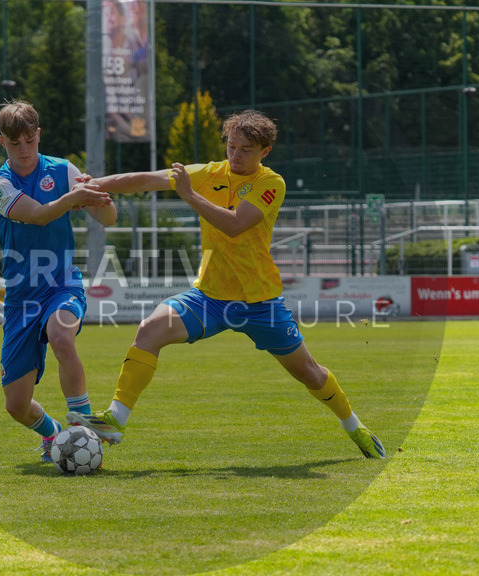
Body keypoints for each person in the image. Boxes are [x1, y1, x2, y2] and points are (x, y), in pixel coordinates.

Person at [68, 109, 386, 459]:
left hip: (259, 302)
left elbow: (235, 225)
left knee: (309, 373)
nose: (235, 155)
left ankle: (355, 428)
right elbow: (144, 179)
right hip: (210, 296)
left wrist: (190, 196)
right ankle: (116, 419)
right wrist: (92, 185)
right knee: (149, 329)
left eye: (245, 149)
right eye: (231, 147)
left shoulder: (271, 183)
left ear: (264, 151)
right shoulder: (208, 173)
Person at [0, 100, 117, 463]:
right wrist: (72, 197)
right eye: (14, 143)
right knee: (16, 406)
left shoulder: (63, 170)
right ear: (2, 142)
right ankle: (54, 433)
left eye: (29, 140)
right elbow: (38, 215)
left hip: (62, 283)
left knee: (61, 336)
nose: (24, 150)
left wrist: (97, 196)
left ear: (38, 135)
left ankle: (86, 426)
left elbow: (109, 219)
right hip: (21, 299)